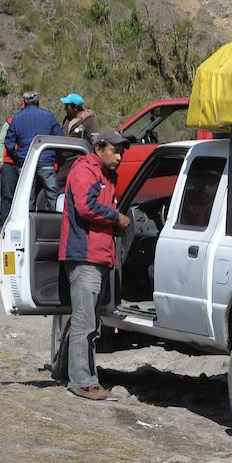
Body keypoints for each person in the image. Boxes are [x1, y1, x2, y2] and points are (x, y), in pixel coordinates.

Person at [59, 131, 132, 400]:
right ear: (99, 148)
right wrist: (116, 218)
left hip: (99, 258)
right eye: (115, 150)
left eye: (122, 152)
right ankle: (80, 382)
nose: (119, 157)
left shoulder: (106, 176)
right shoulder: (85, 170)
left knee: (92, 325)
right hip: (84, 257)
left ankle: (88, 379)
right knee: (84, 322)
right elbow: (85, 206)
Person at [4, 91, 63, 209]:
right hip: (46, 162)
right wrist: (54, 156)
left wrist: (17, 158)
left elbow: (8, 143)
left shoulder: (17, 118)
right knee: (53, 196)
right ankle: (57, 223)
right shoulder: (48, 116)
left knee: (27, 198)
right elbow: (60, 137)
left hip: (26, 163)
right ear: (38, 102)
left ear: (24, 102)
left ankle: (29, 224)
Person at [57, 92, 101, 191]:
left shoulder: (90, 121)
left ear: (75, 108)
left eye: (67, 106)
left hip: (79, 160)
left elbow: (95, 141)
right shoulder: (67, 119)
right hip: (65, 160)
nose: (65, 108)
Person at [0, 95, 25, 228]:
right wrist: (0, 161)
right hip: (8, 164)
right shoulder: (9, 122)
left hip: (24, 164)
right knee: (7, 196)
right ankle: (4, 226)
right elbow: (0, 141)